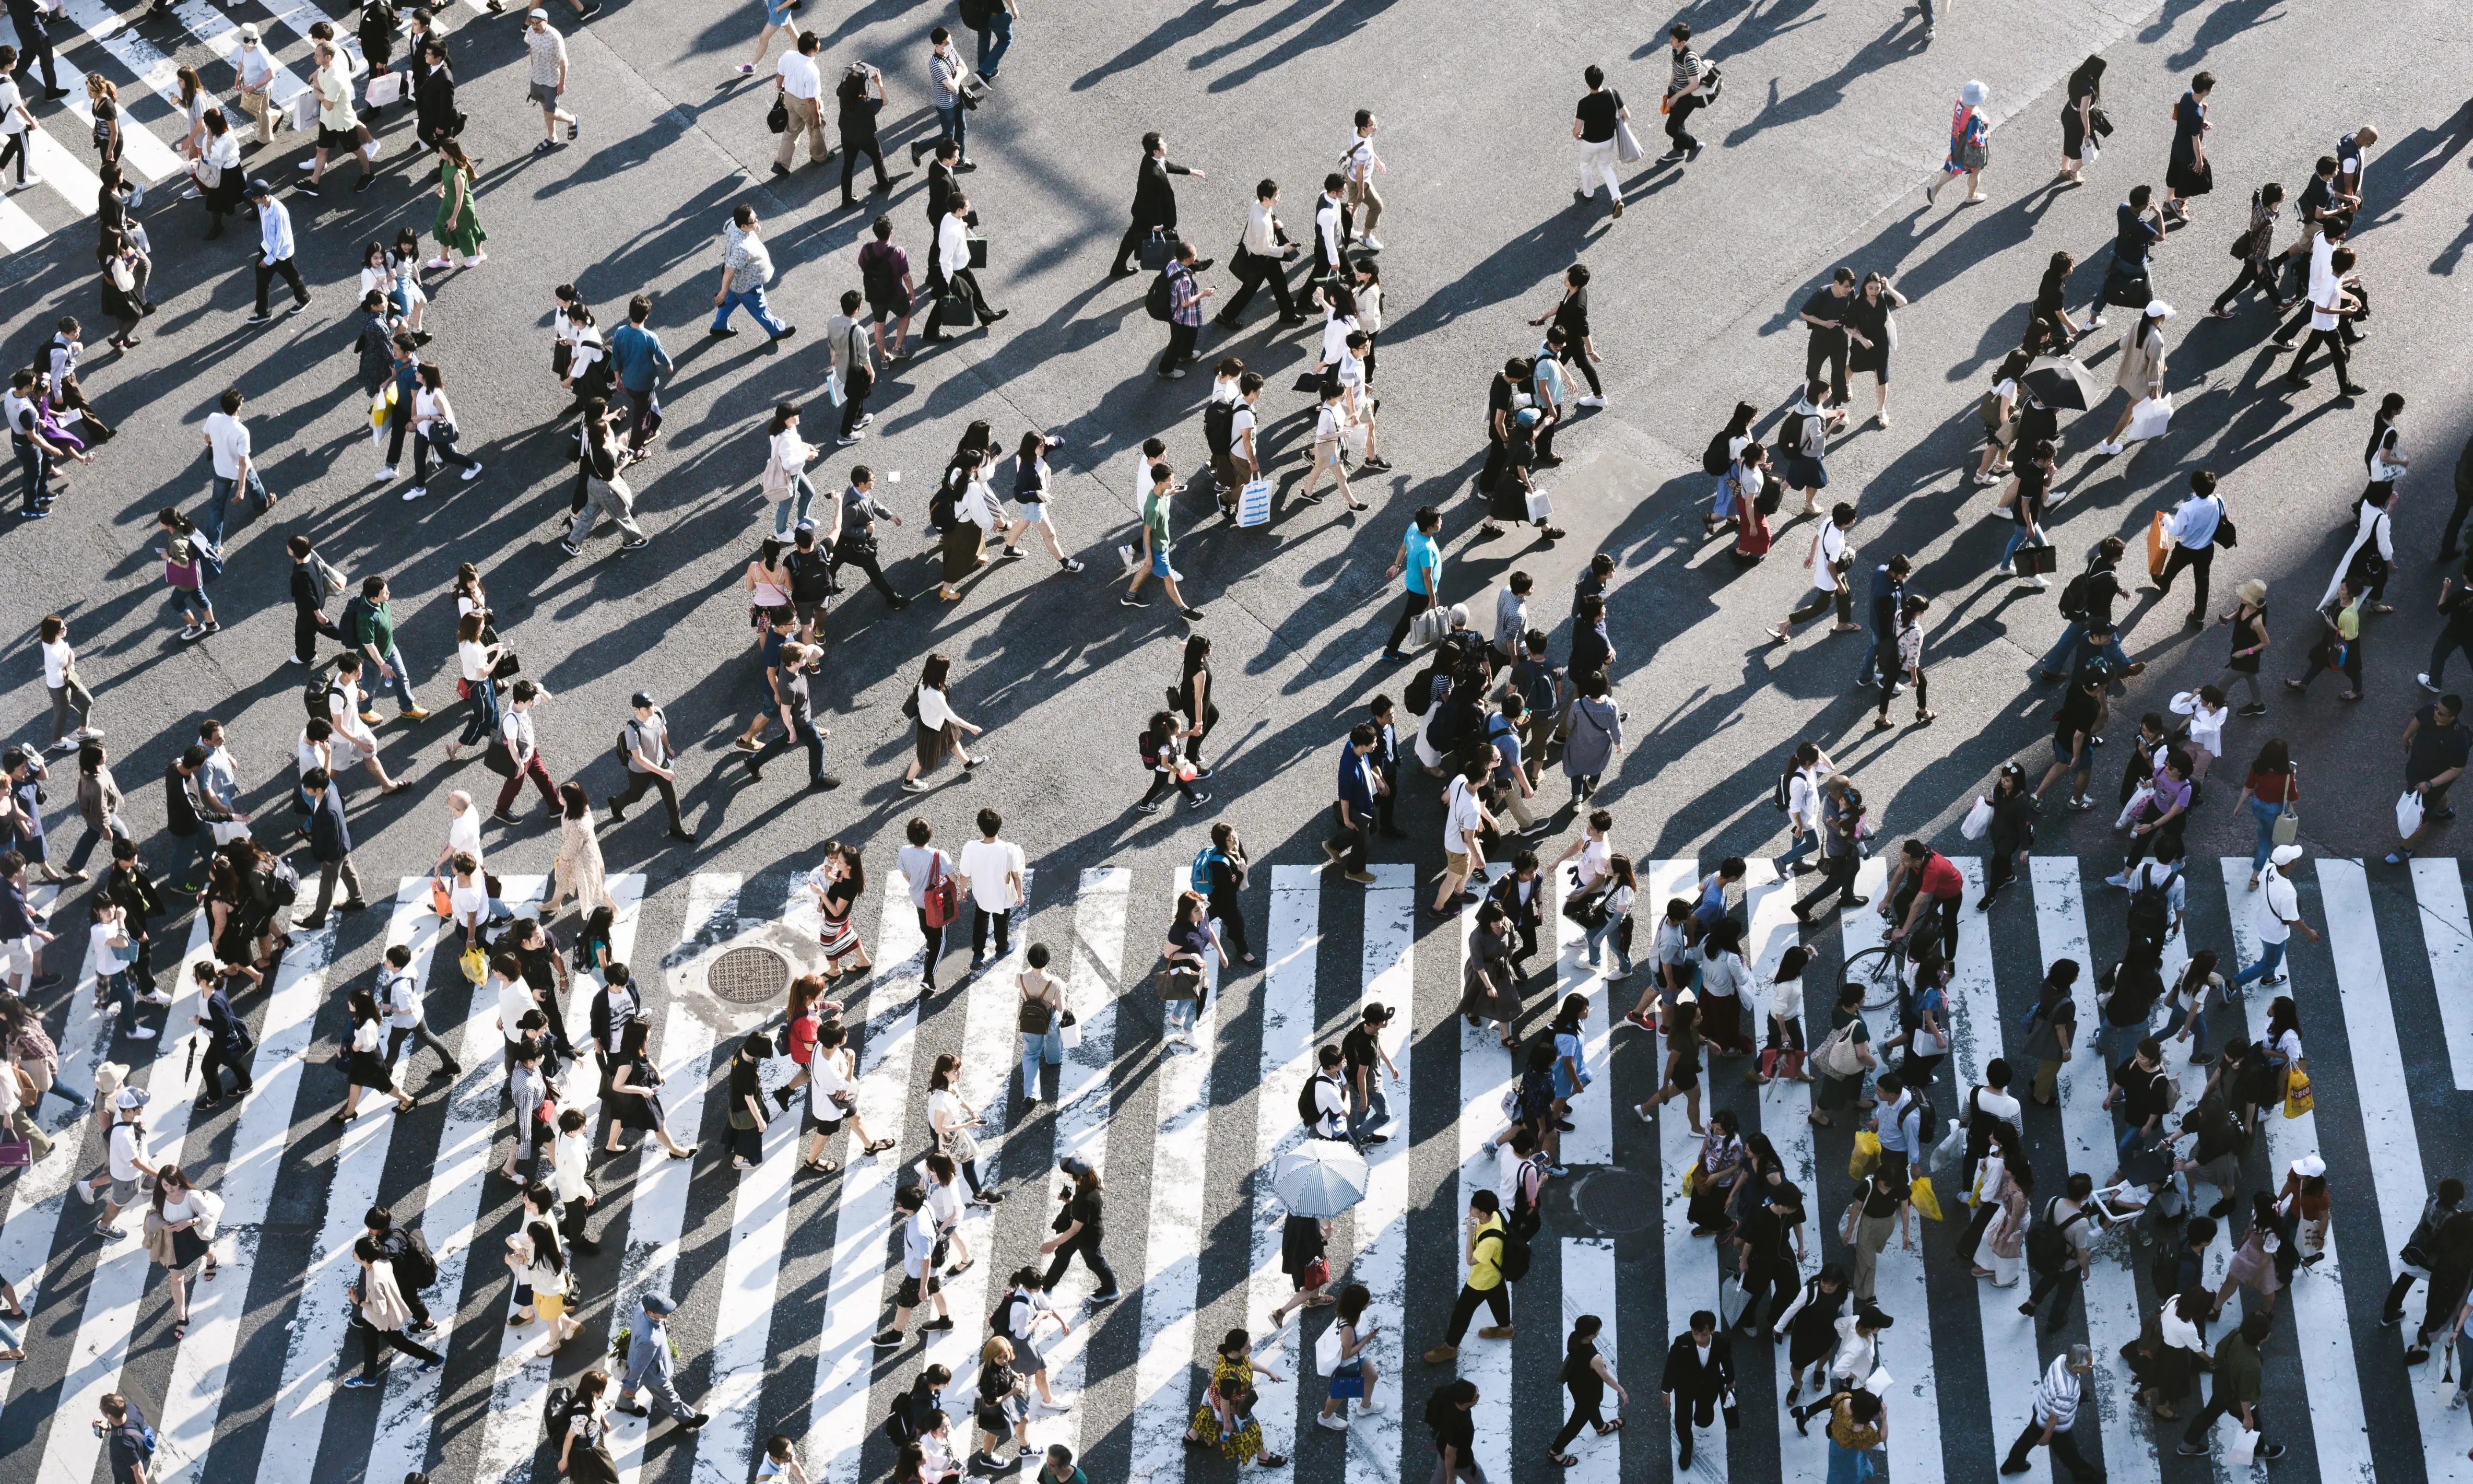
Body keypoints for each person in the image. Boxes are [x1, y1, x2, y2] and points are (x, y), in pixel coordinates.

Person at [2388, 692, 2470, 864]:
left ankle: (2406, 848)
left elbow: (2456, 770)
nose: (2436, 714)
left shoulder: (2459, 739)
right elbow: (2418, 720)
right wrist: (2406, 737)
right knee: (2437, 796)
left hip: (2431, 780)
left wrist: (2431, 784)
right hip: (2417, 770)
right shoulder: (2431, 710)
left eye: (2441, 713)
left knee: (2420, 815)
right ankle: (2443, 811)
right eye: (2436, 709)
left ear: (2453, 717)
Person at [1111, 131, 1204, 278]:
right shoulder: (1154, 175)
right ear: (1156, 151)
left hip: (1142, 211)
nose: (1166, 144)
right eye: (1163, 144)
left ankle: (1118, 267)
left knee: (1132, 237)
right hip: (1148, 215)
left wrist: (1189, 171)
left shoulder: (1150, 158)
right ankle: (1184, 266)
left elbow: (1165, 165)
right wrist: (1157, 223)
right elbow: (1153, 202)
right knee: (1167, 240)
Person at [1999, 1346, 2100, 1477]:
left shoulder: (2061, 1359)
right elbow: (2054, 1417)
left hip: (2041, 1408)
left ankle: (2013, 1463)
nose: (2090, 1368)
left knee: (2028, 1438)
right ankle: (2087, 1477)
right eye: (2089, 1366)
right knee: (2069, 1454)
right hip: (2055, 1428)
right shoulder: (2067, 1392)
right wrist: (2047, 1437)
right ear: (2076, 1368)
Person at [616, 1292, 709, 1429]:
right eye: (663, 1313)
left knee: (632, 1381)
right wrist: (631, 1387)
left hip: (637, 1357)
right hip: (654, 1373)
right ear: (651, 1313)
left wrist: (631, 1385)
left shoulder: (640, 1308)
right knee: (668, 1396)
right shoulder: (650, 1340)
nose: (667, 1316)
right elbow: (640, 1367)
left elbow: (637, 1366)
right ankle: (688, 1419)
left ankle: (624, 1405)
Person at [1660, 1310, 1737, 1472]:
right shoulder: (1682, 1342)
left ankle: (1702, 1417)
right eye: (1696, 1334)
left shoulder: (1722, 1342)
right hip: (1685, 1388)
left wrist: (1730, 1380)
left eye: (1704, 1335)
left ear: (1712, 1331)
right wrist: (1666, 1390)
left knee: (1704, 1420)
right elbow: (1671, 1366)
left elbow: (1727, 1361)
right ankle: (1687, 1448)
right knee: (1682, 1420)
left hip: (1709, 1387)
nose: (1699, 1339)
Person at [712, 204, 795, 341]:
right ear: (744, 226)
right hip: (747, 285)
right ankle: (777, 331)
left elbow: (726, 226)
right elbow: (730, 270)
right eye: (754, 221)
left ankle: (719, 326)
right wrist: (723, 290)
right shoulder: (742, 249)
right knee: (760, 309)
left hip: (737, 283)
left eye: (756, 218)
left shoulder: (734, 224)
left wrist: (754, 227)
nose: (757, 222)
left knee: (727, 303)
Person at [243, 180, 311, 322]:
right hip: (268, 248)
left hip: (280, 255)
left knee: (293, 278)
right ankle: (264, 313)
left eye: (254, 198)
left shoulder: (279, 212)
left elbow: (280, 239)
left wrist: (269, 259)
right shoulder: (263, 205)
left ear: (265, 196)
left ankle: (304, 299)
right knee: (262, 281)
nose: (252, 200)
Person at [1314, 1283, 1378, 1432]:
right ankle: (1325, 1418)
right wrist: (1367, 1339)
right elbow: (1347, 1354)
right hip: (1349, 1364)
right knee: (1339, 1395)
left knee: (1372, 1377)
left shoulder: (1355, 1315)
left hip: (1359, 1358)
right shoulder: (1348, 1328)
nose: (1368, 1303)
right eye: (1366, 1301)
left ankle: (1366, 1406)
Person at [1571, 65, 1628, 219]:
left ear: (1587, 83)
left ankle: (1588, 194)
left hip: (1589, 142)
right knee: (1605, 167)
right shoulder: (1612, 94)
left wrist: (1577, 135)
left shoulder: (1584, 103)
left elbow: (1577, 129)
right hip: (1608, 141)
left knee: (1585, 166)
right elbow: (1626, 115)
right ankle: (1617, 199)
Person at [771, 31, 828, 175]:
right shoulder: (812, 71)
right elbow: (811, 99)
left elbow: (780, 76)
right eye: (818, 44)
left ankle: (781, 163)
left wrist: (780, 90)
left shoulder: (788, 55)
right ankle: (819, 157)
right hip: (804, 103)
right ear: (812, 51)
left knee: (792, 129)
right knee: (816, 128)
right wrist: (817, 118)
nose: (819, 44)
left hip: (789, 98)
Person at [522, 8, 579, 150]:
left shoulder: (555, 37)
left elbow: (564, 62)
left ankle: (572, 120)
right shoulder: (530, 31)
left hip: (551, 81)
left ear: (546, 22)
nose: (535, 26)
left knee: (551, 112)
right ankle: (552, 137)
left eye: (538, 23)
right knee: (545, 109)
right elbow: (531, 49)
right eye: (533, 23)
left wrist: (562, 83)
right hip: (537, 78)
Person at [1927, 80, 1991, 206]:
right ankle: (1972, 196)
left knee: (1954, 168)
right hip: (1969, 150)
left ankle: (1935, 189)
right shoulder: (1975, 119)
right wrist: (1985, 136)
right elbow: (1975, 140)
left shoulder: (1960, 102)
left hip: (1957, 142)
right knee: (1976, 170)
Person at [2162, 72, 2215, 221]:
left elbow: (2185, 117)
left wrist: (2201, 124)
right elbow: (2195, 139)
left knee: (2173, 175)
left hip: (2177, 146)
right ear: (2205, 91)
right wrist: (2199, 160)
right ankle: (2178, 204)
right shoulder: (2197, 113)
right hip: (2188, 154)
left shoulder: (2187, 95)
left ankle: (2168, 202)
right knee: (2197, 180)